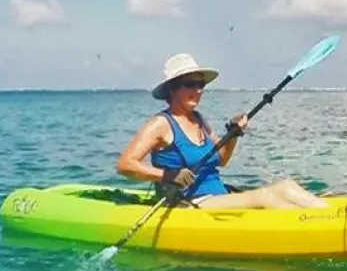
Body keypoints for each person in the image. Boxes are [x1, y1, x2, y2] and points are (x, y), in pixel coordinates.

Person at [116, 53, 328, 210]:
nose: (198, 90)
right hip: (190, 202)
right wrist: (169, 175)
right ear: (173, 89)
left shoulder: (199, 120)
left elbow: (222, 160)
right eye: (190, 84)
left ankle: (330, 216)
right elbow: (125, 165)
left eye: (201, 84)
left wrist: (233, 135)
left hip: (219, 197)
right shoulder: (161, 123)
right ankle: (321, 229)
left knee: (286, 186)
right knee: (266, 198)